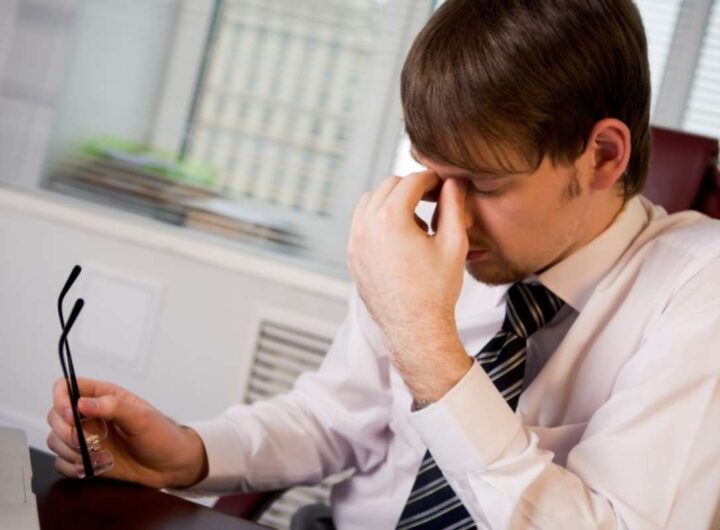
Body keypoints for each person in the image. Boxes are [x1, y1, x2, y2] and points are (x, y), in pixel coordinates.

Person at [47, 0, 720, 528]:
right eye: (432, 173)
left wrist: (425, 342)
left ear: (602, 155)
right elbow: (332, 417)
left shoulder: (698, 291)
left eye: (484, 184)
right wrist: (188, 453)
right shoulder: (431, 245)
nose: (449, 218)